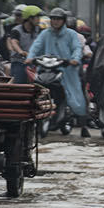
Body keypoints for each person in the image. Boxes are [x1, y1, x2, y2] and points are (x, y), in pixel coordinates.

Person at [25, 7, 88, 136]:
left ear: (64, 21)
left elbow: (77, 48)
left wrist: (75, 60)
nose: (55, 21)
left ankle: (83, 125)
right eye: (53, 19)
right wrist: (30, 58)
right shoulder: (45, 34)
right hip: (47, 68)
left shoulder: (71, 34)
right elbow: (36, 46)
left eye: (58, 19)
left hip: (67, 70)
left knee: (77, 96)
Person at [4, 4, 41, 81]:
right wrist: (21, 52)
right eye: (37, 17)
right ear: (30, 18)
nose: (39, 19)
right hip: (20, 61)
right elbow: (14, 42)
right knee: (20, 84)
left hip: (35, 61)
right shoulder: (16, 30)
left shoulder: (38, 30)